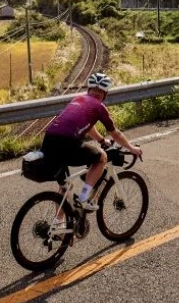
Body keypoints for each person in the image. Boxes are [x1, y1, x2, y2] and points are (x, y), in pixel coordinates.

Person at [41, 72, 143, 212]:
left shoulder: (78, 99)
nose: (98, 94)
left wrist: (101, 140)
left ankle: (59, 226)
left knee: (65, 187)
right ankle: (83, 198)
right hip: (67, 142)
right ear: (105, 94)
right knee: (101, 158)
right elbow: (115, 133)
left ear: (89, 89)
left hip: (48, 141)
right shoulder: (99, 106)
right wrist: (132, 148)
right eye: (101, 92)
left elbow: (88, 127)